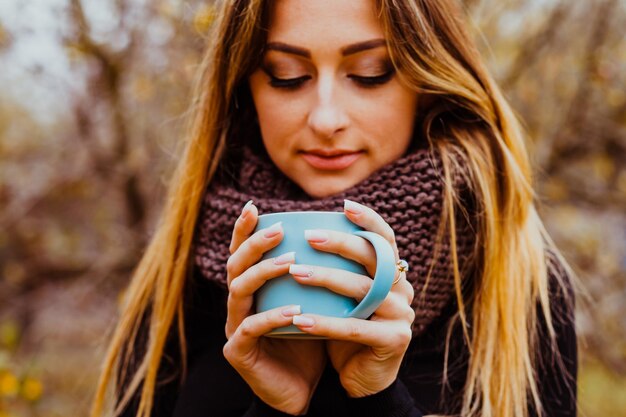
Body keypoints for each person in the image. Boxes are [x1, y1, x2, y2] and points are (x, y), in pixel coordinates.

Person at [90, 0, 578, 416]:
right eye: (288, 76)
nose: (326, 118)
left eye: (371, 74)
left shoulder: (517, 276)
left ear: (425, 80)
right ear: (244, 88)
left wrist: (375, 399)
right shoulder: (181, 267)